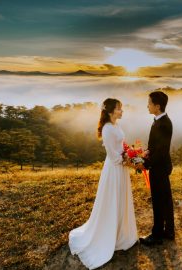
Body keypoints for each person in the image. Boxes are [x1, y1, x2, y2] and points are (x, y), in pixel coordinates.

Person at [68, 98, 138, 269]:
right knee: (112, 199)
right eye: (119, 109)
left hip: (121, 168)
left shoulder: (115, 125)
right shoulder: (107, 129)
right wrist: (129, 161)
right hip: (114, 169)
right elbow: (113, 155)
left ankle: (121, 233)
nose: (122, 111)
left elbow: (121, 146)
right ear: (111, 111)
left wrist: (131, 153)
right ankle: (108, 235)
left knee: (121, 199)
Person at [140, 91, 175, 246]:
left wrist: (145, 164)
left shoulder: (164, 124)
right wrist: (148, 151)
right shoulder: (158, 120)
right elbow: (156, 146)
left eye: (149, 103)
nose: (147, 105)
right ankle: (169, 231)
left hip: (159, 167)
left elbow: (161, 151)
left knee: (158, 201)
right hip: (160, 165)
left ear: (157, 106)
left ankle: (157, 234)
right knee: (165, 199)